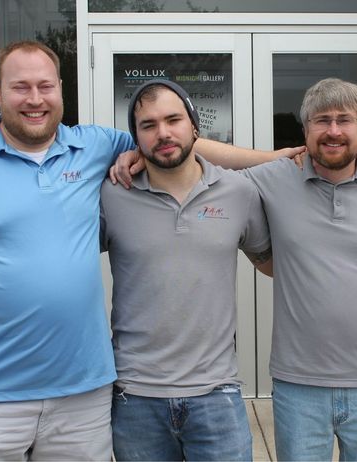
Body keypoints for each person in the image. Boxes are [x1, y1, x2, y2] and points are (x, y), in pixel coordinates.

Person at [0, 40, 299, 460]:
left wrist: (270, 158)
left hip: (84, 395)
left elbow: (177, 143)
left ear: (60, 90)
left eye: (45, 86)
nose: (35, 99)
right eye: (20, 87)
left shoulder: (93, 147)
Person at [114, 77, 357, 461]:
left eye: (345, 120)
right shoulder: (268, 181)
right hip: (297, 381)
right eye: (321, 120)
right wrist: (140, 153)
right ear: (305, 129)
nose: (333, 131)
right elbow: (189, 147)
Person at [100, 79, 272, 461]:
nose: (163, 133)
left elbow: (272, 263)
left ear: (194, 126)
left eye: (173, 119)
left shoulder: (239, 193)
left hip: (216, 394)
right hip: (135, 397)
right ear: (136, 140)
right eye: (148, 125)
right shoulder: (112, 194)